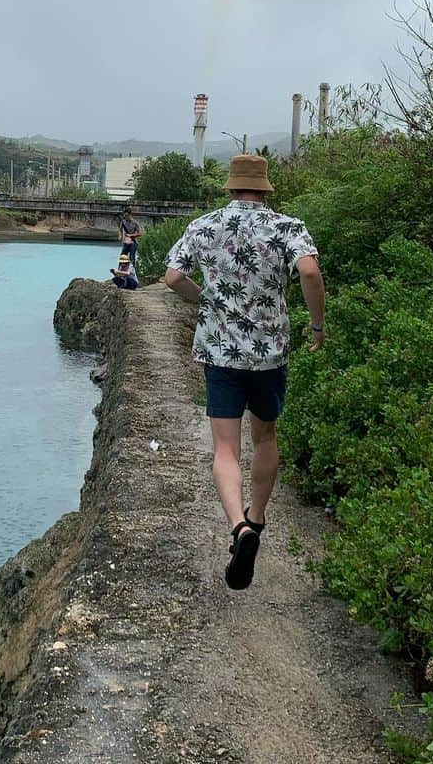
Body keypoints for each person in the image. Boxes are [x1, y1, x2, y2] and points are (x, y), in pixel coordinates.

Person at [163, 154, 326, 590]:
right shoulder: (287, 227)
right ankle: (258, 515)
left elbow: (173, 277)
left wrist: (206, 301)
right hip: (270, 354)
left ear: (231, 187)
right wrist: (317, 323)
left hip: (220, 354)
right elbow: (309, 270)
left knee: (225, 451)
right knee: (266, 437)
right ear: (266, 188)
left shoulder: (204, 226)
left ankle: (239, 528)